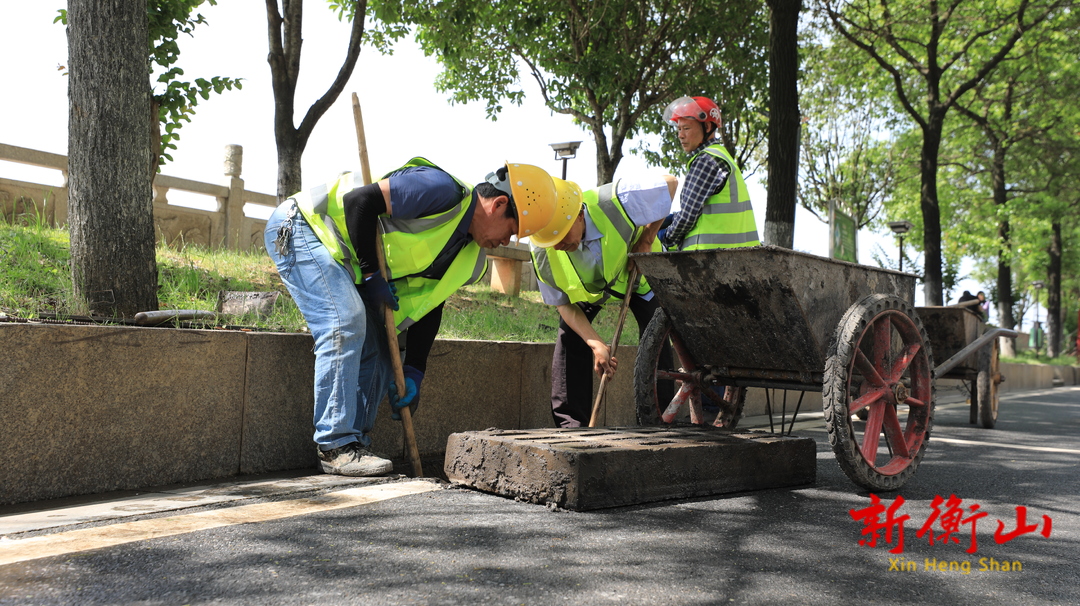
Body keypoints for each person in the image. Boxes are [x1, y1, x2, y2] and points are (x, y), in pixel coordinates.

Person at [264, 158, 560, 476]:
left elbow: (430, 306)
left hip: (346, 260)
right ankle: (334, 445)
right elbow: (360, 202)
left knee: (378, 347)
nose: (506, 242)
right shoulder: (440, 190)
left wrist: (414, 370)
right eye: (511, 231)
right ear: (498, 204)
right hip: (305, 229)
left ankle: (354, 447)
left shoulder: (470, 257)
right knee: (344, 322)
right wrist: (372, 274)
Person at [530, 175, 677, 427]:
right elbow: (564, 304)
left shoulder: (616, 201)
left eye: (563, 236)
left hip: (638, 278)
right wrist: (596, 343)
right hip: (592, 291)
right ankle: (571, 425)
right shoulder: (542, 249)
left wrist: (647, 238)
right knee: (570, 337)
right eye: (552, 241)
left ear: (578, 215)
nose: (559, 245)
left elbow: (670, 183)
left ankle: (657, 421)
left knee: (657, 337)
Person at [657, 96, 760, 251]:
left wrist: (663, 236)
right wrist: (671, 219)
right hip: (734, 261)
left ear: (707, 127)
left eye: (686, 128)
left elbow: (687, 217)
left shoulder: (707, 160)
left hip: (708, 262)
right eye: (679, 129)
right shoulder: (721, 156)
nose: (680, 135)